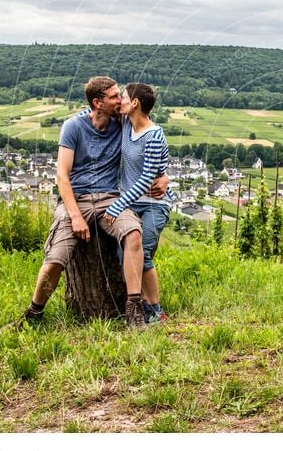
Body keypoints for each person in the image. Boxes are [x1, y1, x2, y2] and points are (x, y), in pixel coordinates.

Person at [16, 76, 166, 330]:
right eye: (114, 97)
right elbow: (62, 175)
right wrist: (75, 215)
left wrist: (164, 176)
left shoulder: (121, 121)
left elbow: (151, 136)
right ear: (97, 103)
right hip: (77, 199)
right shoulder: (73, 127)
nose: (120, 101)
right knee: (56, 258)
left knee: (133, 233)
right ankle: (34, 314)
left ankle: (134, 310)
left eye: (121, 96)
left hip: (110, 197)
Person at [102, 83, 174, 325]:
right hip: (133, 204)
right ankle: (141, 303)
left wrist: (117, 205)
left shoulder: (154, 135)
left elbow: (146, 179)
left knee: (142, 254)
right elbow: (94, 113)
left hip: (154, 203)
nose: (120, 100)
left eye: (123, 97)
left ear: (135, 103)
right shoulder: (125, 124)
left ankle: (156, 310)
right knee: (126, 255)